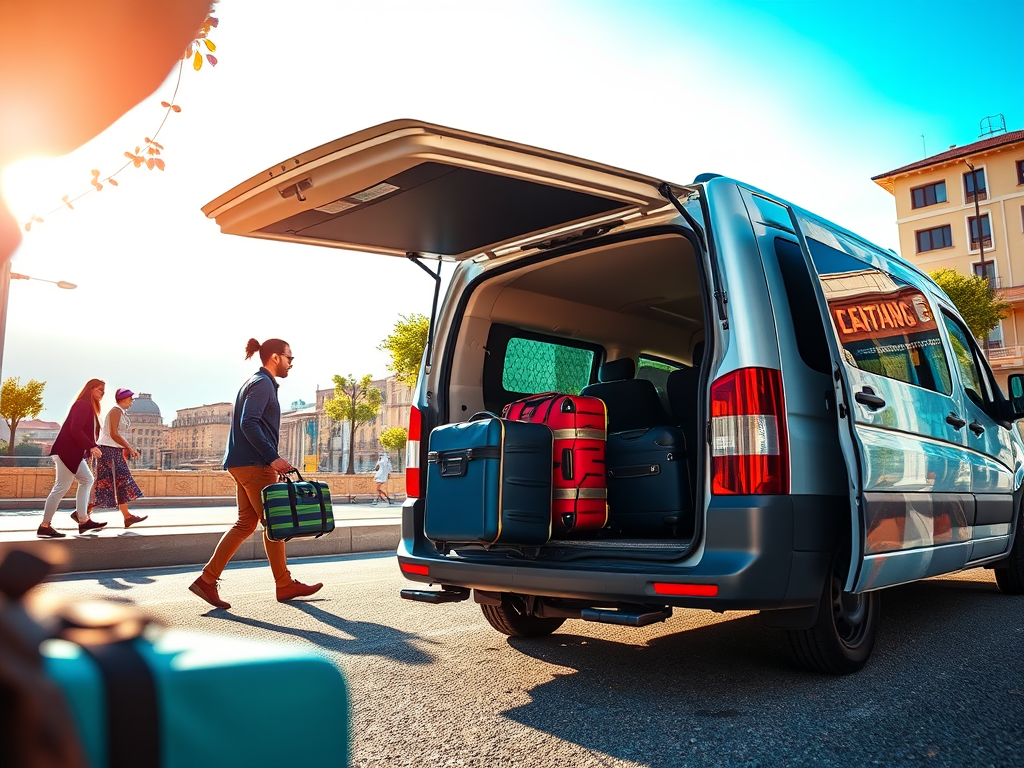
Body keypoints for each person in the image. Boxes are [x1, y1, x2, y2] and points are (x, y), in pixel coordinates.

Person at [188, 338, 323, 609]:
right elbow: (248, 422)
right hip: (254, 464)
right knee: (275, 524)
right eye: (289, 358)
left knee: (246, 524)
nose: (291, 364)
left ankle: (207, 579)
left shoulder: (255, 382)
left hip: (242, 462)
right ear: (274, 357)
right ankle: (283, 584)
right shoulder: (262, 384)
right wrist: (272, 458)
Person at [37, 380, 108, 537]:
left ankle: (82, 520)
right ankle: (44, 526)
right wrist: (91, 446)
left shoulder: (87, 406)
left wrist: (89, 447)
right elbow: (75, 428)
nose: (103, 392)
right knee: (61, 487)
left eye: (104, 390)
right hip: (66, 452)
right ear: (91, 389)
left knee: (86, 480)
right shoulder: (83, 404)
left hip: (72, 453)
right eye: (100, 389)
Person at [92, 388, 148, 528]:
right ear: (123, 399)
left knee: (120, 482)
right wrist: (129, 448)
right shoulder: (115, 410)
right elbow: (114, 434)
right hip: (108, 450)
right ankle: (83, 512)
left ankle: (127, 516)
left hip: (115, 451)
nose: (132, 401)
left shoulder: (122, 413)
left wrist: (126, 449)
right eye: (130, 399)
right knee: (106, 483)